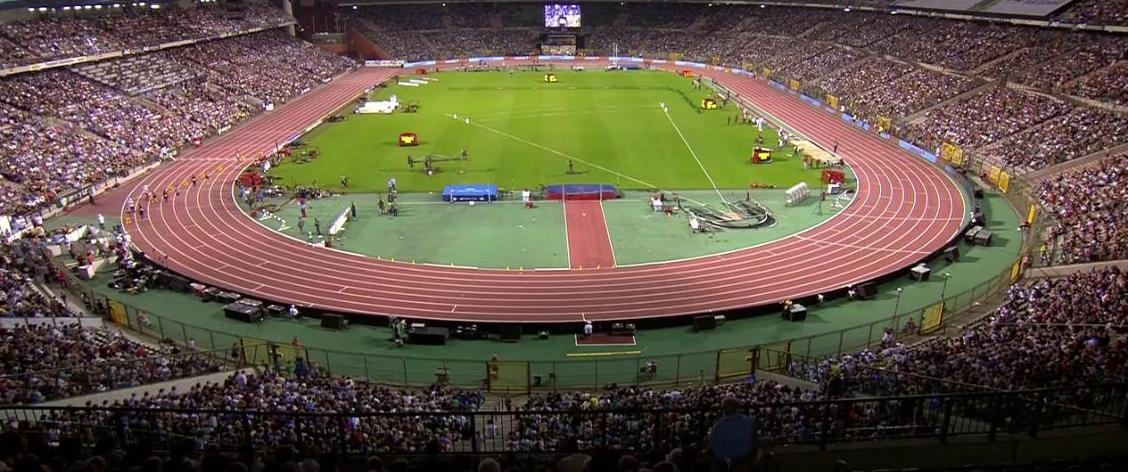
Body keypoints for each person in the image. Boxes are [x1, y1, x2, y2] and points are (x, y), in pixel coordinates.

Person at [711, 396, 760, 472]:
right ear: (738, 408)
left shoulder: (718, 426)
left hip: (727, 463)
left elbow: (716, 450)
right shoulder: (749, 422)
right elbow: (755, 443)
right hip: (746, 460)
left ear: (723, 410)